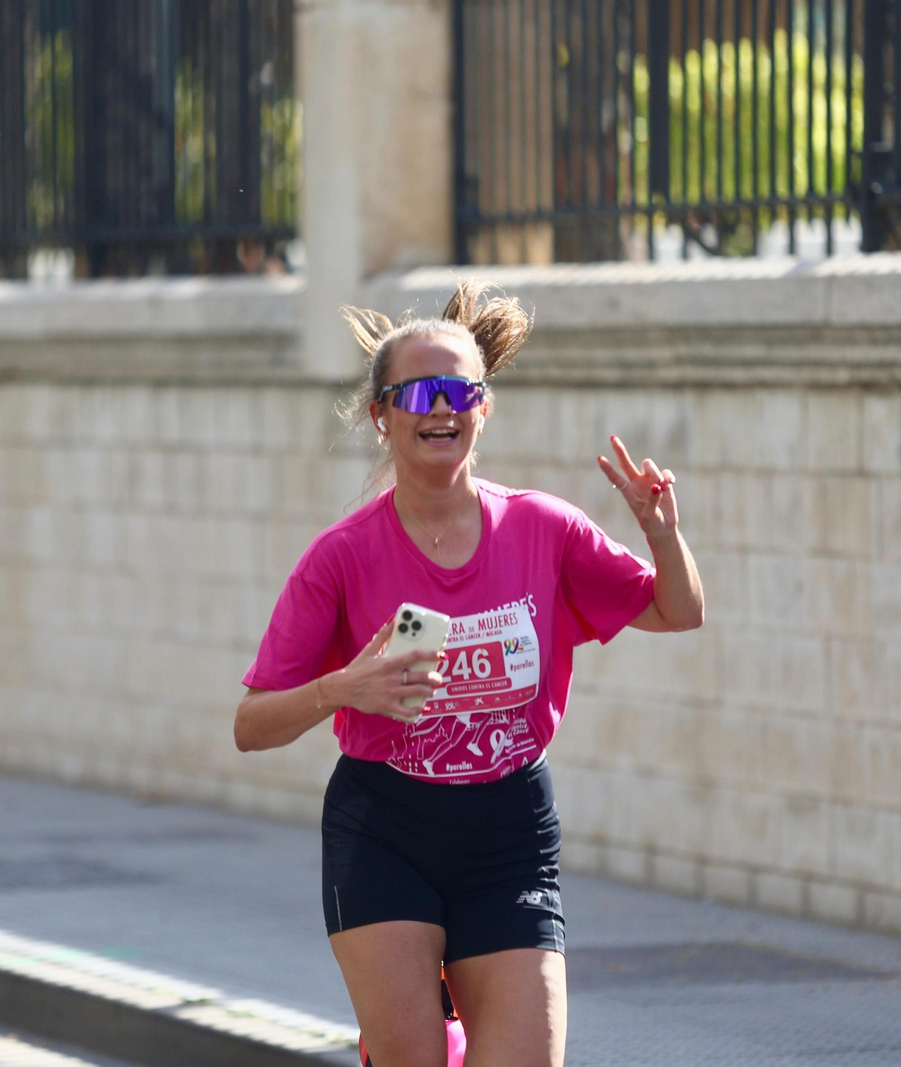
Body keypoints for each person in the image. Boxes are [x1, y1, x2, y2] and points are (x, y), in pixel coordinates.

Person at [234, 281, 704, 1067]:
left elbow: (677, 610)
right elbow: (251, 725)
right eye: (418, 391)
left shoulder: (543, 527)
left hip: (510, 832)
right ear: (382, 415)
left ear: (482, 409)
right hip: (386, 828)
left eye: (460, 389)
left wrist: (662, 537)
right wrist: (341, 688)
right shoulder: (342, 557)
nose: (440, 406)